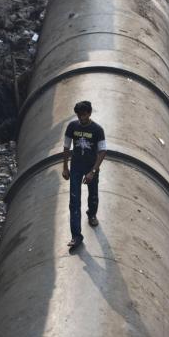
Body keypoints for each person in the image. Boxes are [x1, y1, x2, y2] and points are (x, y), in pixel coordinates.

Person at [62, 101, 107, 247]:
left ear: (89, 113)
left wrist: (93, 171)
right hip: (75, 167)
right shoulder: (72, 127)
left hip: (91, 168)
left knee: (93, 194)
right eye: (79, 115)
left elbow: (102, 151)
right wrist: (65, 167)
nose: (81, 118)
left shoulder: (97, 130)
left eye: (84, 115)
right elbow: (67, 146)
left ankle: (92, 213)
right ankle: (76, 236)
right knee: (74, 201)